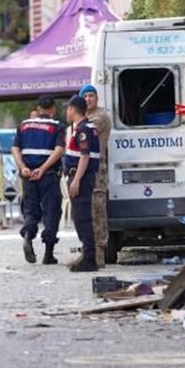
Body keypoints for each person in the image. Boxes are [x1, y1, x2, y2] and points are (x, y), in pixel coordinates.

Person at [12, 95, 66, 265]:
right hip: (48, 174)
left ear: (39, 108)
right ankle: (48, 254)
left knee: (30, 209)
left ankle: (28, 236)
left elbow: (15, 148)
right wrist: (42, 169)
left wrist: (23, 167)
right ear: (53, 109)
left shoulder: (24, 125)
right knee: (52, 211)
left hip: (28, 174)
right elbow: (58, 150)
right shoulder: (57, 126)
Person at [64, 94, 100, 273]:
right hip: (82, 176)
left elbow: (84, 156)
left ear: (73, 109)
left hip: (82, 177)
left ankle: (89, 258)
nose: (67, 111)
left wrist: (76, 180)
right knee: (80, 216)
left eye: (68, 108)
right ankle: (87, 254)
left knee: (82, 217)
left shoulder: (83, 129)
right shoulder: (84, 127)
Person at [80, 84, 113, 266]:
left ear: (97, 98)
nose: (88, 99)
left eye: (91, 96)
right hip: (86, 166)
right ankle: (89, 251)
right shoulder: (84, 118)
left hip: (97, 168)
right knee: (86, 209)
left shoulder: (99, 117)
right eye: (85, 97)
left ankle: (99, 253)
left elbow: (83, 132)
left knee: (97, 208)